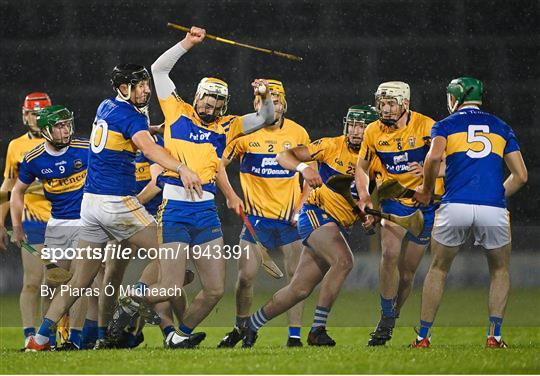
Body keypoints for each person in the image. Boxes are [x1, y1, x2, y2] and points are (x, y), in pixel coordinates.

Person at [113, 25, 276, 349]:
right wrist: (187, 43)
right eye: (207, 99)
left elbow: (267, 118)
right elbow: (159, 69)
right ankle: (131, 299)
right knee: (172, 287)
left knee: (215, 289)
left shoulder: (228, 126)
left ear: (224, 106)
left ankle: (180, 335)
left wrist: (264, 96)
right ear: (197, 96)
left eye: (217, 103)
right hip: (174, 210)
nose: (210, 107)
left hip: (206, 214)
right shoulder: (177, 111)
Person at [24, 64, 198, 351]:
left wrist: (149, 128)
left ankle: (40, 339)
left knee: (80, 279)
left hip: (90, 204)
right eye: (138, 85)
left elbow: (124, 134)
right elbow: (150, 149)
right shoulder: (130, 115)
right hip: (116, 202)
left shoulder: (106, 106)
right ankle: (139, 298)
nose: (146, 89)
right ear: (123, 88)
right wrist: (181, 168)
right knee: (171, 246)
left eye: (145, 84)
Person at [241, 105, 378, 348]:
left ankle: (252, 325)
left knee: (299, 290)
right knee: (344, 261)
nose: (356, 131)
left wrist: (371, 217)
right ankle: (318, 329)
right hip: (316, 214)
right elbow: (284, 156)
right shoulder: (331, 145)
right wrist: (304, 168)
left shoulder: (376, 159)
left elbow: (372, 199)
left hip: (339, 224)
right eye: (353, 125)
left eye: (362, 126)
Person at [411, 77, 527, 348]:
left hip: (455, 206)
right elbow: (521, 176)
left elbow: (433, 158)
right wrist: (496, 195)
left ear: (456, 98)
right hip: (493, 209)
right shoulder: (501, 126)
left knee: (438, 269)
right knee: (499, 270)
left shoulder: (446, 125)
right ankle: (494, 336)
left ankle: (423, 337)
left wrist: (427, 189)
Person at [218, 79, 310, 348]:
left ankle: (294, 337)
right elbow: (217, 165)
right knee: (245, 276)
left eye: (275, 100)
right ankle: (241, 327)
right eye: (261, 101)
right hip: (256, 219)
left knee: (296, 279)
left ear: (283, 104)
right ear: (255, 106)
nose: (271, 105)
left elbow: (311, 175)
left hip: (289, 219)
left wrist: (302, 205)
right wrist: (230, 194)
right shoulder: (244, 136)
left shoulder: (298, 134)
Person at [355, 82, 443, 346]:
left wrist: (429, 172)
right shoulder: (373, 131)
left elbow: (450, 164)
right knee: (390, 253)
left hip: (426, 203)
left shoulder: (428, 126)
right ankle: (385, 317)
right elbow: (361, 168)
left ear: (405, 103)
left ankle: (394, 313)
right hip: (395, 199)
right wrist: (365, 196)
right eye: (382, 103)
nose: (385, 108)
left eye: (391, 103)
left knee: (407, 274)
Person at [10, 105, 90, 350]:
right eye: (59, 126)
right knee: (50, 284)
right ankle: (50, 339)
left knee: (79, 282)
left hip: (86, 224)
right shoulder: (34, 159)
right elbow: (17, 191)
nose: (66, 130)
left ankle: (74, 339)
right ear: (46, 130)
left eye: (68, 124)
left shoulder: (85, 148)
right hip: (57, 226)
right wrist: (17, 225)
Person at [1, 92, 52, 346]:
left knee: (56, 282)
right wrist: (1, 222)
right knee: (33, 281)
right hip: (32, 221)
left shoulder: (61, 140)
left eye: (41, 113)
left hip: (63, 219)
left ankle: (50, 333)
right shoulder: (16, 146)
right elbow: (8, 187)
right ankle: (29, 335)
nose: (36, 118)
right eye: (32, 113)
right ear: (24, 115)